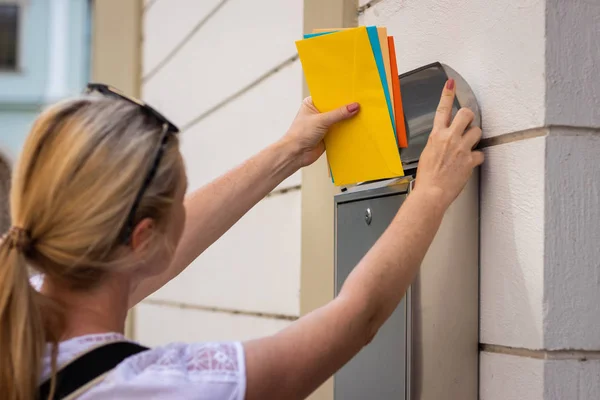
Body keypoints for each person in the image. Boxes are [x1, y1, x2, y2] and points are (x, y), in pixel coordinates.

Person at [0, 79, 482, 400]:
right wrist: (432, 191)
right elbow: (356, 318)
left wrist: (288, 151)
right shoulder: (140, 388)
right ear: (142, 240)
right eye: (177, 208)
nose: (181, 221)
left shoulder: (19, 324)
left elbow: (147, 249)